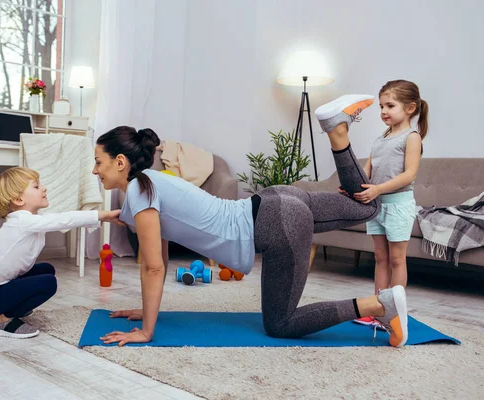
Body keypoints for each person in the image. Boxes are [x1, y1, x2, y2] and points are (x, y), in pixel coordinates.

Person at [93, 94, 409, 348]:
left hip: (276, 225)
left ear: (120, 162)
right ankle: (337, 132)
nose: (95, 170)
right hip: (275, 201)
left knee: (281, 324)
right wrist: (149, 312)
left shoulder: (139, 192)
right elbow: (159, 256)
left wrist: (146, 332)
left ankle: (377, 305)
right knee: (368, 207)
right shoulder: (150, 181)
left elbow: (153, 267)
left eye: (98, 162)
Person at [0, 167, 116, 339]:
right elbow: (63, 220)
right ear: (18, 199)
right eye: (36, 186)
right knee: (49, 283)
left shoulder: (31, 219)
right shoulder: (23, 221)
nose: (43, 188)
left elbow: (61, 219)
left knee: (46, 270)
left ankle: (10, 309)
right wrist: (103, 215)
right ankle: (2, 320)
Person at [346, 80, 428, 328]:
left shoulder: (411, 137)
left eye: (390, 105)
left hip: (398, 205)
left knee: (396, 260)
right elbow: (366, 172)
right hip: (378, 206)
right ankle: (377, 309)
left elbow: (409, 174)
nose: (383, 111)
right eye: (381, 106)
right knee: (380, 258)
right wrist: (353, 186)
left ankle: (394, 313)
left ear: (410, 108)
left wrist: (378, 189)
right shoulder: (381, 138)